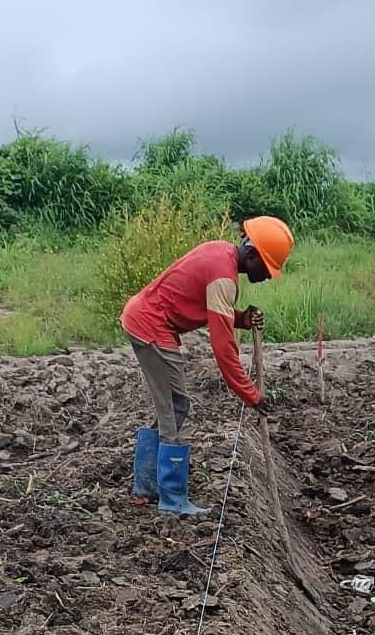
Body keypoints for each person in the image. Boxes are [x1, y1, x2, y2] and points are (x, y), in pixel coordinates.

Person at [121, 216, 294, 516]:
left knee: (172, 407)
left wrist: (241, 319)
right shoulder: (223, 276)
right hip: (152, 328)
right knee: (175, 408)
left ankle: (146, 487)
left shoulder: (220, 254)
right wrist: (251, 395)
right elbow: (224, 348)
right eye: (267, 268)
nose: (267, 277)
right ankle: (172, 499)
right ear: (252, 254)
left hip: (146, 321)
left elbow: (210, 308)